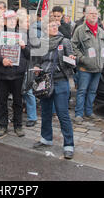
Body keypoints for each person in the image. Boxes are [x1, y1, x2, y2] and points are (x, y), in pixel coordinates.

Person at [31, 18, 76, 159]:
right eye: (51, 25)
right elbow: (37, 61)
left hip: (60, 82)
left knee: (63, 114)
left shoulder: (65, 42)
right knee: (45, 112)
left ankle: (69, 145)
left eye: (56, 25)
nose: (54, 27)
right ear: (46, 29)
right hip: (45, 81)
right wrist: (37, 68)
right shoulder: (42, 43)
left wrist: (72, 58)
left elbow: (72, 61)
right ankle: (46, 139)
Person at [0, 10, 30, 137]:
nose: (11, 21)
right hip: (2, 74)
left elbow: (30, 55)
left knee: (17, 101)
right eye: (8, 19)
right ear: (4, 21)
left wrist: (24, 47)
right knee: (2, 101)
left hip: (18, 74)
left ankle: (18, 126)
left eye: (13, 19)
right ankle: (2, 125)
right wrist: (1, 60)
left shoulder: (23, 34)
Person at [71, 6, 104, 125]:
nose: (94, 15)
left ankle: (89, 112)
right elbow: (73, 46)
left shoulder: (101, 31)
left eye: (95, 13)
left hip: (98, 67)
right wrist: (82, 59)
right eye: (91, 13)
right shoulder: (80, 30)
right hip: (84, 68)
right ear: (85, 15)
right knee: (82, 91)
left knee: (92, 91)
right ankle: (79, 114)